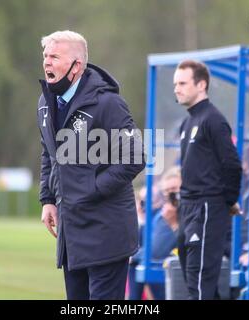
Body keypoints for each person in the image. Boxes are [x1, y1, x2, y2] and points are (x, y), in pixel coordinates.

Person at [37, 30, 145, 300]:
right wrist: (48, 199)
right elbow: (49, 154)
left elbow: (135, 157)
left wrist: (92, 188)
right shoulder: (45, 102)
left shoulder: (108, 103)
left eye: (54, 56)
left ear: (76, 66)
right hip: (71, 232)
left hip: (107, 231)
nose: (46, 62)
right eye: (45, 56)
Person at [173, 60, 242, 300]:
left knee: (199, 285)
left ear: (201, 84)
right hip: (188, 207)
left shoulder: (213, 120)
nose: (177, 89)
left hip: (206, 208)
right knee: (201, 287)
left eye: (182, 83)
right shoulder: (187, 122)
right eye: (175, 84)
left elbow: (233, 165)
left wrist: (228, 201)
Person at [128, 167, 181, 300]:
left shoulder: (170, 214)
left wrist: (133, 257)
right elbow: (147, 241)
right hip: (166, 262)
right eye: (166, 191)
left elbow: (156, 249)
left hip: (172, 263)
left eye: (174, 189)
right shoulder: (162, 214)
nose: (171, 195)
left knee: (136, 263)